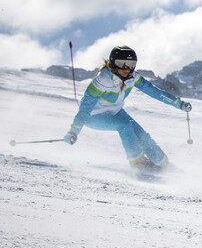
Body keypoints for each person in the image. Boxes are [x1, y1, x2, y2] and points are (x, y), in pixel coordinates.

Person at [63, 45, 192, 172]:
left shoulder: (132, 77)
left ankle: (164, 165)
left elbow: (153, 91)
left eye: (131, 64)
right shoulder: (102, 80)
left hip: (115, 112)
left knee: (142, 136)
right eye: (122, 63)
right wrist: (73, 131)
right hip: (93, 116)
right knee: (124, 126)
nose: (127, 69)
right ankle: (138, 163)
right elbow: (85, 107)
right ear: (113, 63)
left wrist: (178, 103)